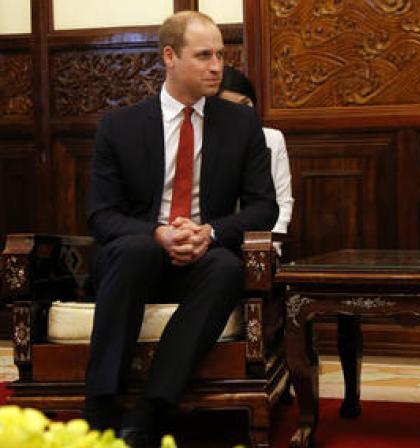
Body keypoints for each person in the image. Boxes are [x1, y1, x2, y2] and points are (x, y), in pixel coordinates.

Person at [83, 11, 278, 447]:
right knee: (137, 249)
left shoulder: (240, 122)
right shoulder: (120, 126)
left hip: (201, 257)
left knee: (226, 267)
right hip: (135, 260)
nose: (217, 66)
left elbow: (265, 206)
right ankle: (98, 403)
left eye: (221, 55)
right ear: (170, 57)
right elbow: (101, 215)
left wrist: (209, 231)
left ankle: (150, 410)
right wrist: (157, 234)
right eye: (203, 55)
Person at [217, 65, 294, 245]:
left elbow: (283, 201)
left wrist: (267, 243)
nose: (241, 113)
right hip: (218, 238)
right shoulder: (207, 141)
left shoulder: (272, 139)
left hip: (263, 239)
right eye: (231, 107)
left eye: (245, 104)